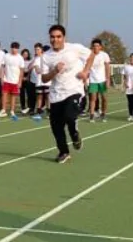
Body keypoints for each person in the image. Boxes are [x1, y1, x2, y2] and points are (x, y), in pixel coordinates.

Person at [41, 25, 96, 163]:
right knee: (56, 127)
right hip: (56, 95)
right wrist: (54, 71)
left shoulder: (74, 48)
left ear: (64, 37)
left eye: (58, 37)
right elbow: (44, 78)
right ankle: (64, 152)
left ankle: (74, 133)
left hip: (74, 90)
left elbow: (91, 55)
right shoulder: (46, 57)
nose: (55, 39)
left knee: (69, 116)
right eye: (52, 37)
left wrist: (85, 72)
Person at [87, 39, 112, 123]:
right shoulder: (89, 55)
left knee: (104, 98)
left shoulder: (104, 55)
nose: (95, 47)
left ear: (100, 47)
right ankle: (91, 115)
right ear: (92, 47)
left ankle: (103, 114)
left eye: (97, 46)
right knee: (93, 98)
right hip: (93, 80)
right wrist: (85, 80)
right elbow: (86, 67)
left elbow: (107, 67)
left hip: (102, 80)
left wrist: (108, 79)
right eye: (94, 46)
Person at [0, 42, 25, 119]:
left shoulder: (20, 58)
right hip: (6, 80)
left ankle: (12, 111)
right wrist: (1, 78)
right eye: (13, 48)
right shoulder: (6, 56)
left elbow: (22, 70)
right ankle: (3, 110)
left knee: (13, 96)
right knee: (4, 95)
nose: (14, 49)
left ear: (18, 49)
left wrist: (20, 81)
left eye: (16, 48)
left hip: (15, 81)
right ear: (11, 48)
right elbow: (2, 67)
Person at [21, 49, 36, 115]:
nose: (25, 55)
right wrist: (21, 77)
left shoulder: (30, 61)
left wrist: (27, 77)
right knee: (22, 94)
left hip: (28, 77)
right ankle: (23, 107)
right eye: (24, 54)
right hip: (21, 77)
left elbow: (30, 70)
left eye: (26, 54)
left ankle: (29, 107)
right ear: (22, 54)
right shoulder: (20, 60)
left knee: (29, 93)